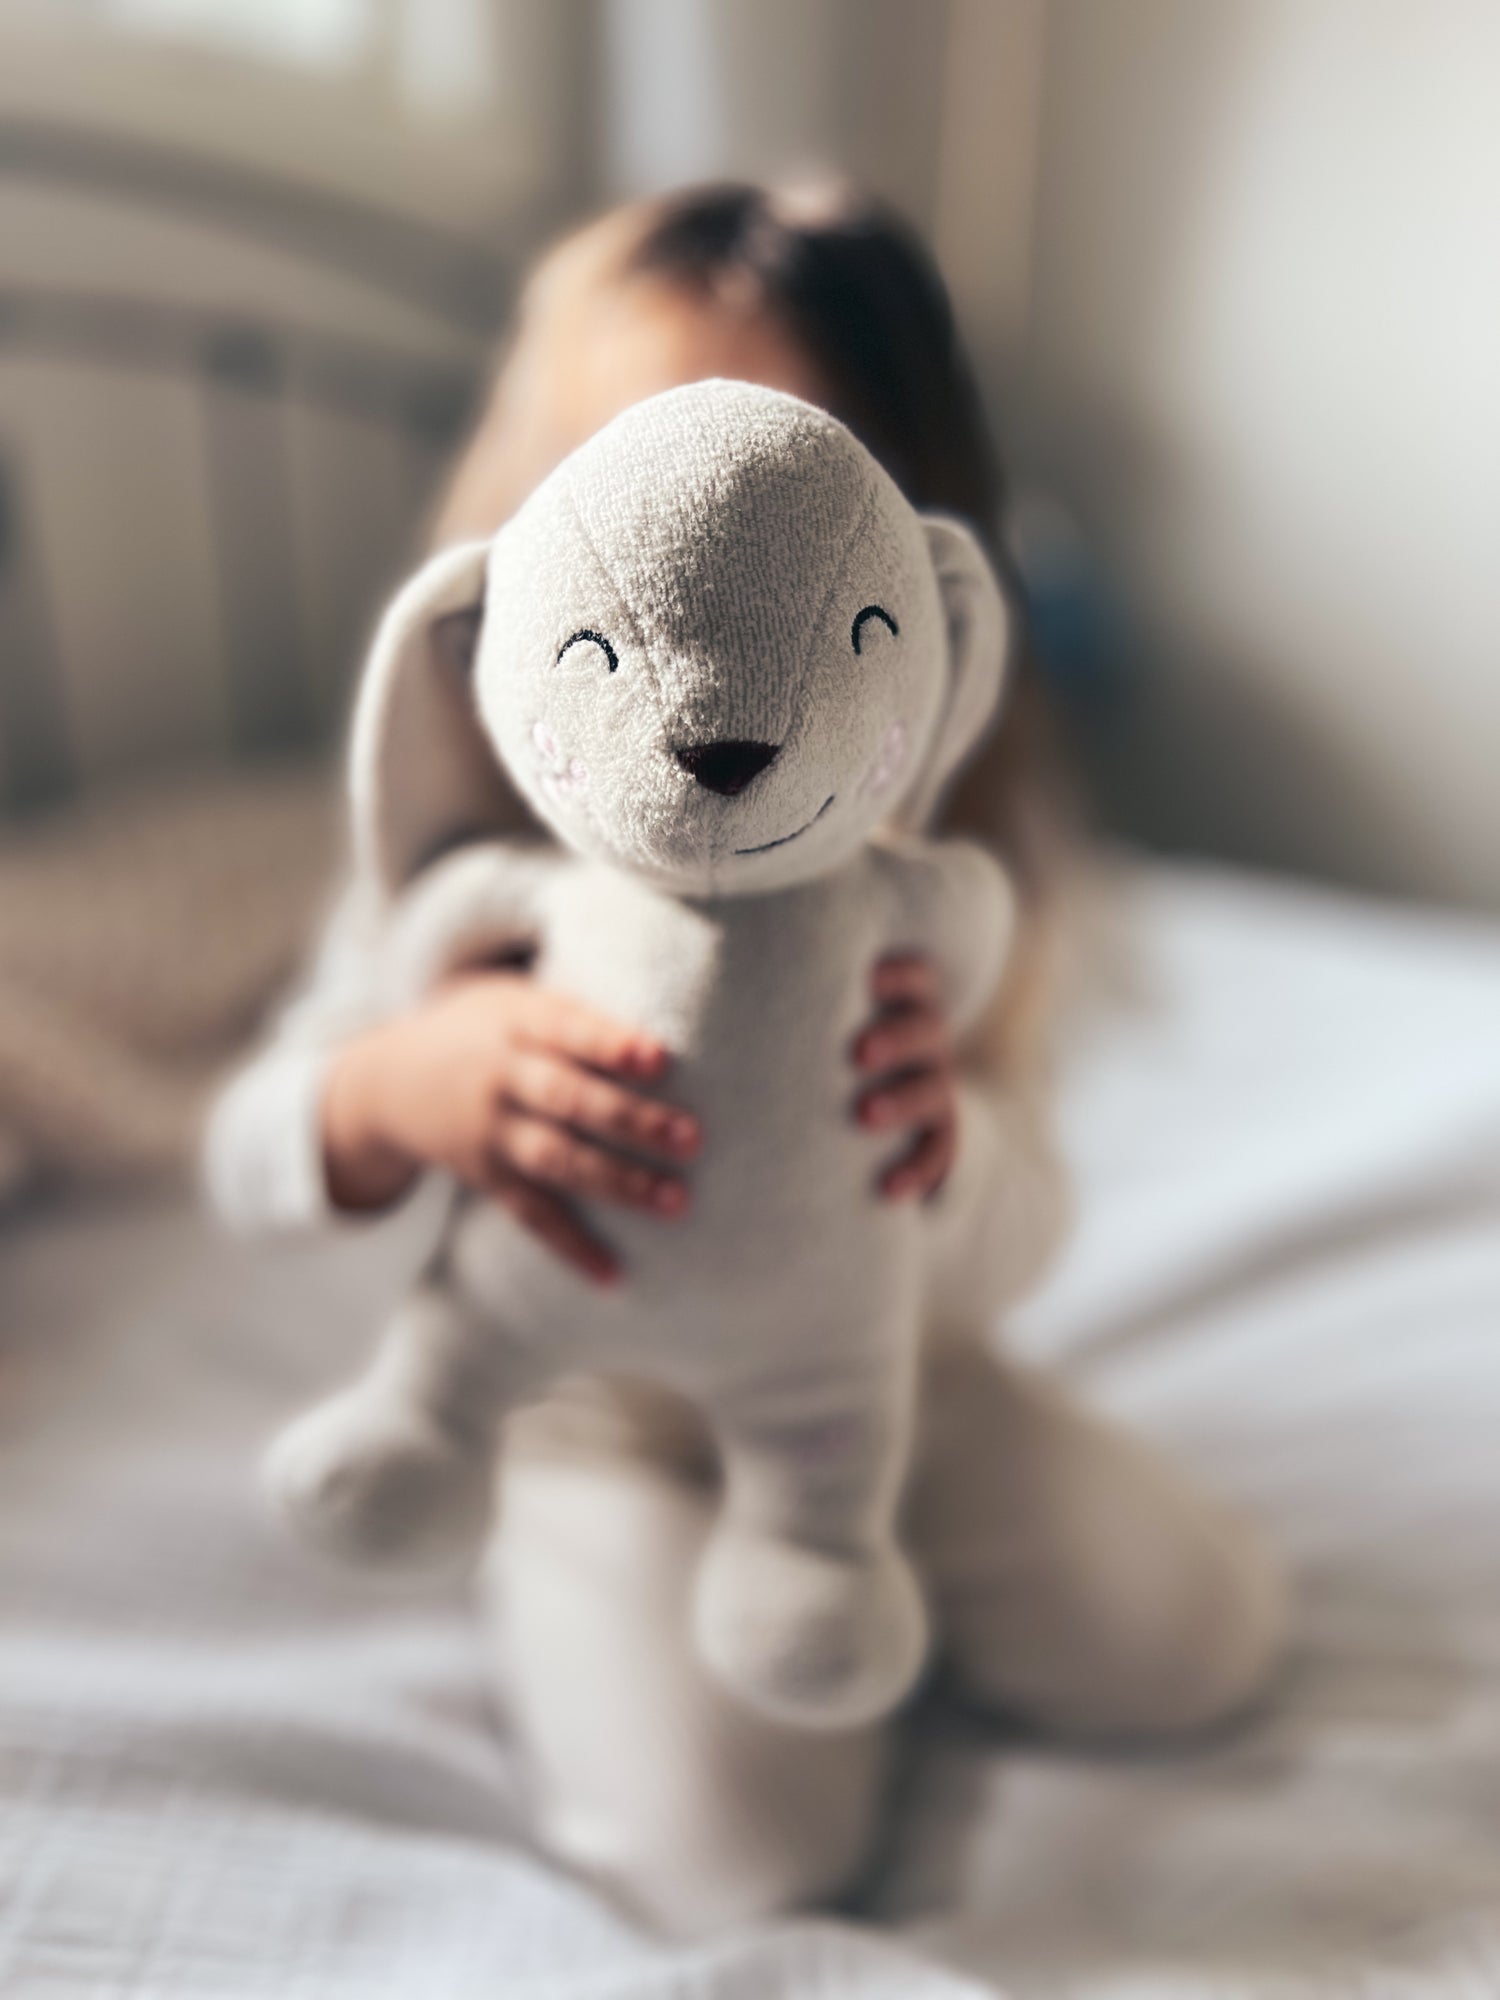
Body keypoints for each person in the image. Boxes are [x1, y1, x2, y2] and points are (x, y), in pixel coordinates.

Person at [207, 181, 1283, 1934]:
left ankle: (846, 1574)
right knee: (740, 1858)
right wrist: (396, 1087)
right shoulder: (459, 849)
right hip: (588, 1400)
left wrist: (938, 1156)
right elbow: (258, 1138)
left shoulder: (956, 861)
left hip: (878, 1370)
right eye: (639, 461)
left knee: (1190, 1643)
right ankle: (613, 1557)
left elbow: (1025, 1224)